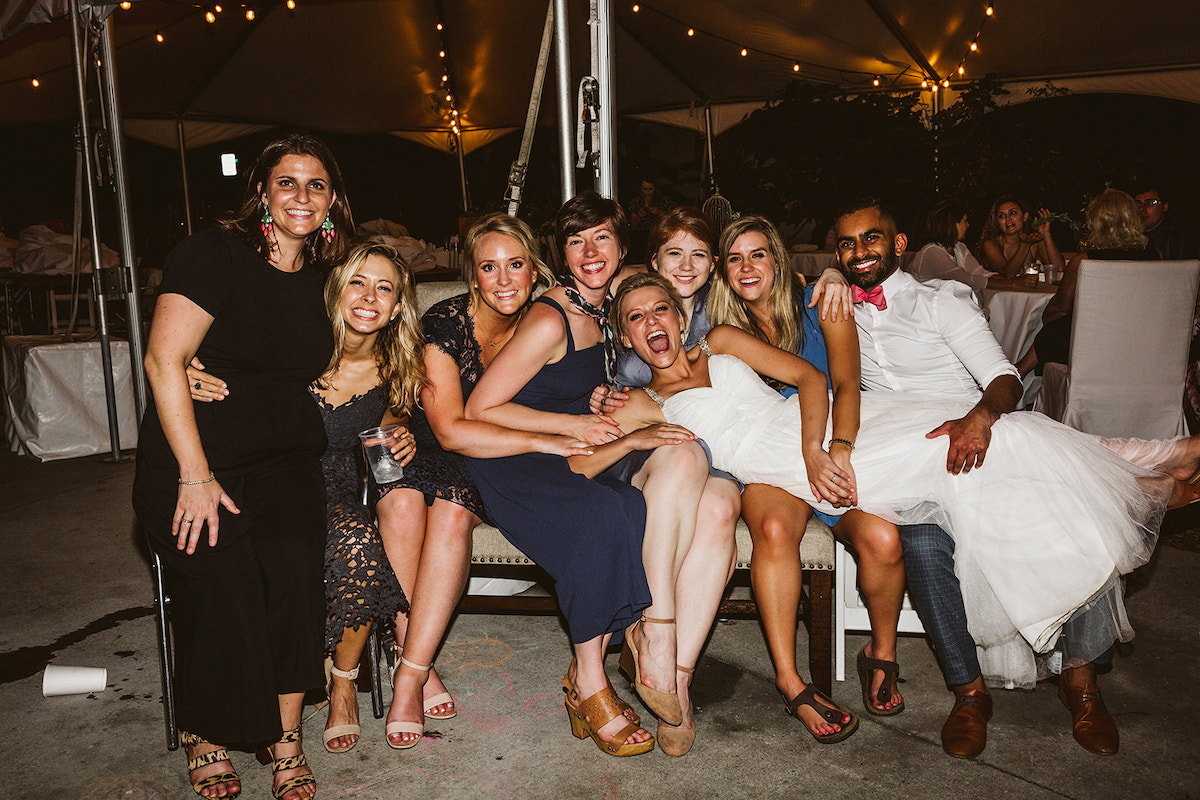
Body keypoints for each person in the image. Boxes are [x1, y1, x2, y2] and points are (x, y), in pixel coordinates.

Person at [609, 271, 1195, 756]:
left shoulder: (724, 342)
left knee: (975, 436)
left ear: (681, 316)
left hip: (817, 440)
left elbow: (810, 378)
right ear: (626, 338)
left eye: (659, 309)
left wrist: (819, 449)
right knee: (963, 450)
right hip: (774, 471)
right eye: (635, 318)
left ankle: (1145, 467)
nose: (652, 324)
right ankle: (1144, 471)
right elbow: (590, 457)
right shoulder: (639, 401)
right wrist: (613, 431)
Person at [833, 197, 1200, 759]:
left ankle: (1082, 683)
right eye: (846, 244)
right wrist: (829, 282)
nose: (859, 252)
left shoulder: (942, 302)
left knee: (1074, 509)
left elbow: (1003, 378)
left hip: (973, 439)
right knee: (924, 544)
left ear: (899, 243)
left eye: (870, 239)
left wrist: (979, 419)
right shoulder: (837, 310)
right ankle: (969, 693)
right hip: (907, 463)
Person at [132, 132, 352, 800]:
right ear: (261, 190)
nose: (301, 197)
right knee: (224, 578)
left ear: (333, 201)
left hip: (285, 459)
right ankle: (207, 729)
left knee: (292, 571)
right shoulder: (211, 255)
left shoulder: (324, 279)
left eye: (316, 185)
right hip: (196, 459)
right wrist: (195, 475)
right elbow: (162, 359)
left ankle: (286, 738)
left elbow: (365, 356)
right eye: (287, 182)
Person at [465, 193, 717, 758]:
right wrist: (574, 423)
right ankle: (589, 682)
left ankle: (640, 634)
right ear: (562, 254)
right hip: (516, 458)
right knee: (604, 513)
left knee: (631, 505)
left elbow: (688, 273)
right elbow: (482, 407)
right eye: (576, 242)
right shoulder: (552, 316)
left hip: (569, 446)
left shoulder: (613, 299)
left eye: (601, 237)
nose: (589, 251)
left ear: (623, 249)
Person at [190, 242, 422, 756]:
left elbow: (385, 451)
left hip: (333, 487)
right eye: (357, 282)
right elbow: (220, 364)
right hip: (262, 476)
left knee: (359, 546)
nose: (369, 297)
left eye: (384, 287)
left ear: (398, 305)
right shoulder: (295, 342)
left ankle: (342, 680)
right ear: (335, 292)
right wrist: (188, 369)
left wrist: (402, 436)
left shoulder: (398, 370)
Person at [373, 213, 570, 751]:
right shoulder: (444, 323)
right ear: (472, 275)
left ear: (535, 269)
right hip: (435, 438)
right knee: (398, 500)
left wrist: (831, 274)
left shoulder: (551, 316)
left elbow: (624, 283)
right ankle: (417, 654)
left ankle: (407, 674)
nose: (504, 280)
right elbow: (450, 431)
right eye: (489, 267)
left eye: (516, 265)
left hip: (494, 456)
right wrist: (545, 441)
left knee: (452, 509)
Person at [707, 215, 904, 735]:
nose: (748, 267)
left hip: (839, 437)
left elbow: (846, 382)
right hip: (773, 460)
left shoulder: (823, 304)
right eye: (735, 258)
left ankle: (880, 654)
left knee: (883, 539)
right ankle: (790, 681)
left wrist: (836, 449)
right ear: (724, 272)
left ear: (777, 258)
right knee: (773, 530)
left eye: (757, 254)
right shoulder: (724, 329)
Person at [1025, 189, 1159, 375]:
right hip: (1143, 341)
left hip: (1096, 346)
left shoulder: (1084, 261)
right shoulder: (1155, 257)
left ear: (1098, 223)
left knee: (1059, 327)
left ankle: (1016, 375)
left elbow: (1056, 311)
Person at [910, 198, 1038, 293]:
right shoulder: (931, 253)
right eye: (965, 221)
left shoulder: (959, 248)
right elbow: (966, 280)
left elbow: (981, 273)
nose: (968, 225)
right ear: (952, 224)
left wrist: (1015, 281)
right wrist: (1014, 284)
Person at [979, 195, 1065, 279]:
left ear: (1025, 217)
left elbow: (1059, 270)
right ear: (997, 222)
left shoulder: (1034, 241)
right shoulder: (990, 244)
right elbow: (1008, 274)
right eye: (1001, 216)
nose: (1008, 218)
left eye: (1013, 213)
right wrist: (1024, 245)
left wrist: (1046, 234)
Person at [1133, 183, 1199, 261]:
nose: (1142, 209)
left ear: (1165, 206)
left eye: (1150, 203)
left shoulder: (1180, 237)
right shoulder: (1130, 237)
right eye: (1138, 204)